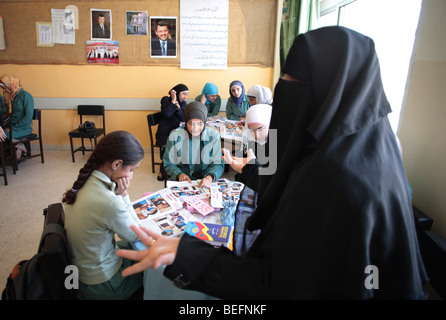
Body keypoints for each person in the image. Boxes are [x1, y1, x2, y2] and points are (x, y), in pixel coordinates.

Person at [116, 26, 428, 299]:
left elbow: (279, 283)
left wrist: (187, 255)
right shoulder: (357, 139)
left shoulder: (339, 180)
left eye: (293, 82)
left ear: (326, 92)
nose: (284, 93)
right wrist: (248, 168)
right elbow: (286, 171)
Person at [62, 130, 145, 300]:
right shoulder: (109, 201)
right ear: (116, 164)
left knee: (133, 249)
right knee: (154, 265)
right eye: (132, 170)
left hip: (83, 268)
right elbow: (137, 234)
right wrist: (123, 195)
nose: (131, 176)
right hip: (103, 284)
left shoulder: (81, 183)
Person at [162, 101, 224, 188]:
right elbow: (168, 163)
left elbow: (218, 163)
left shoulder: (213, 137)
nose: (195, 128)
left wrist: (209, 177)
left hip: (205, 180)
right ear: (186, 121)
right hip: (181, 181)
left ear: (205, 122)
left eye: (200, 123)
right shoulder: (175, 136)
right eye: (191, 123)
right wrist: (179, 174)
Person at [222, 103, 272, 191]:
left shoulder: (280, 147)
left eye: (260, 128)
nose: (256, 135)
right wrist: (243, 169)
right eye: (251, 130)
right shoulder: (250, 142)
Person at [155, 83, 189, 181]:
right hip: (164, 134)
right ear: (176, 93)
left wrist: (178, 108)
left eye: (186, 94)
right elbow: (167, 113)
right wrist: (173, 101)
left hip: (176, 133)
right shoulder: (166, 100)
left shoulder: (183, 103)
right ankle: (162, 170)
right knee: (170, 149)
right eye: (183, 94)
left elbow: (183, 118)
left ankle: (176, 168)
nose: (185, 97)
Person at [0, 74, 34, 160]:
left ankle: (20, 147)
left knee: (4, 135)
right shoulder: (13, 97)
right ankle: (18, 148)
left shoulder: (26, 96)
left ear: (11, 85)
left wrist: (12, 127)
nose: (4, 90)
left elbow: (28, 118)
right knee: (3, 132)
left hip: (24, 128)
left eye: (5, 88)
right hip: (15, 127)